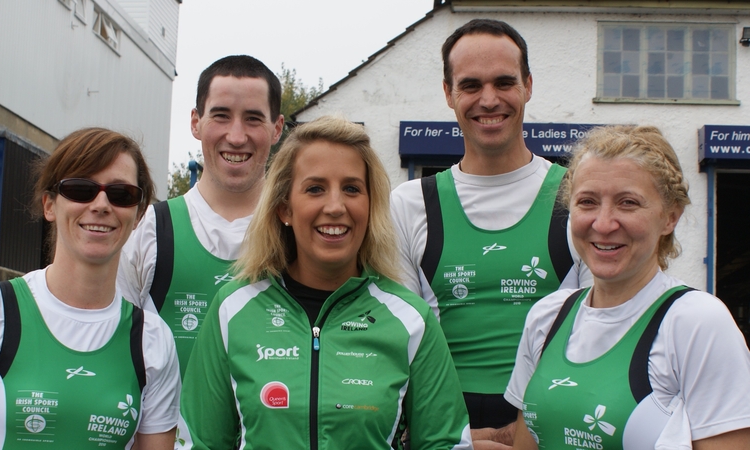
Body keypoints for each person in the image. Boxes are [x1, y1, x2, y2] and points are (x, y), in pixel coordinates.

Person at [178, 116, 473, 449]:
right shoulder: (231, 308)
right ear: (284, 208)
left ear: (370, 204)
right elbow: (200, 443)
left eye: (351, 189)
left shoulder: (411, 319)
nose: (335, 206)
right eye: (315, 188)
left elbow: (445, 444)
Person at [389, 18, 590, 437]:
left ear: (528, 85)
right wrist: (450, 437)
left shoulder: (578, 197)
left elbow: (600, 330)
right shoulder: (409, 204)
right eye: (470, 85)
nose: (489, 99)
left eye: (504, 82)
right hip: (447, 422)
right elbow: (401, 340)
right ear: (448, 93)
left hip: (551, 418)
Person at [507, 125, 750, 449]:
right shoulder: (547, 316)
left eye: (628, 203)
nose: (604, 224)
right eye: (588, 201)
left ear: (670, 217)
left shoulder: (697, 323)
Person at [0, 128, 181, 449]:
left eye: (121, 194)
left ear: (139, 214)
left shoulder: (153, 341)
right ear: (49, 205)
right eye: (81, 189)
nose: (101, 204)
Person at [118, 55, 284, 377]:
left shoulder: (297, 232)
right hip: (167, 429)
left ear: (276, 128)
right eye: (221, 116)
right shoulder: (151, 229)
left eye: (253, 119)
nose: (236, 136)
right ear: (196, 122)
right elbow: (113, 347)